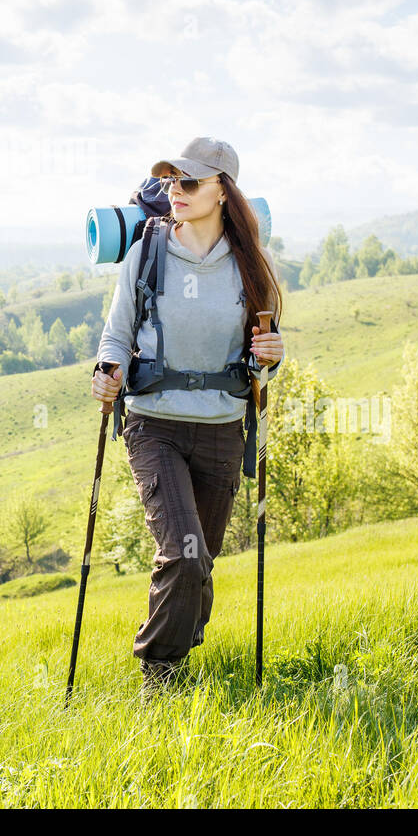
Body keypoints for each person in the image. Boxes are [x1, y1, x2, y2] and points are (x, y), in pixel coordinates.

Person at [91, 136, 284, 699]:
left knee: (201, 561)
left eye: (191, 182)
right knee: (182, 552)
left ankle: (182, 637)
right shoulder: (145, 254)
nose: (177, 191)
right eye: (172, 182)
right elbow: (116, 333)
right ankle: (161, 676)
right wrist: (106, 372)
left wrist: (271, 359)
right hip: (155, 423)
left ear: (223, 191)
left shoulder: (252, 265)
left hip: (223, 427)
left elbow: (263, 356)